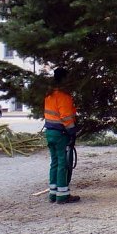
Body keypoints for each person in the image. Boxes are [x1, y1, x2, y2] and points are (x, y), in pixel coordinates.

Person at [44, 67, 80, 204]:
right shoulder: (63, 96)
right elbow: (66, 117)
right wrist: (72, 131)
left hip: (50, 132)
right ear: (65, 79)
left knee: (54, 163)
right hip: (60, 133)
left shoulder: (49, 94)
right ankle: (62, 195)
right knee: (63, 164)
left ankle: (53, 194)